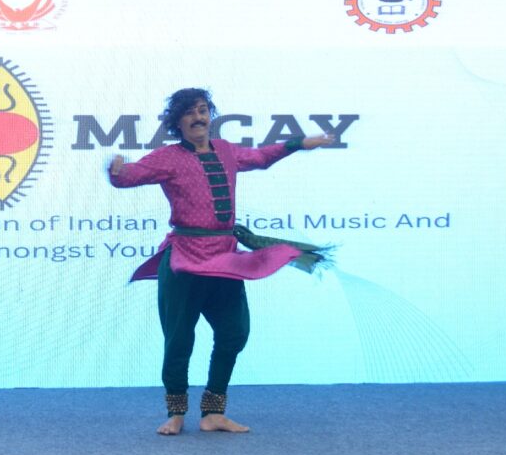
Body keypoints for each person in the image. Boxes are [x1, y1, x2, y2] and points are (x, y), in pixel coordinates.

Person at [108, 88, 335, 435]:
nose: (198, 117)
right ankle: (176, 413)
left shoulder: (226, 151)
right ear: (178, 122)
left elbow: (260, 157)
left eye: (202, 110)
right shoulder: (168, 157)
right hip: (184, 261)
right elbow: (129, 177)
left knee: (234, 332)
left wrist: (298, 143)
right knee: (179, 340)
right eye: (189, 113)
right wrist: (116, 170)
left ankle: (213, 413)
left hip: (224, 259)